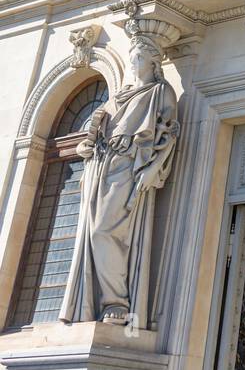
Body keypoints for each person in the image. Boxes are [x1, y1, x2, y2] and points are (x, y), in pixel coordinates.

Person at [60, 22, 179, 327]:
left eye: (138, 58)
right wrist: (92, 137)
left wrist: (152, 168)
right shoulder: (121, 95)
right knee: (93, 231)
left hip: (130, 166)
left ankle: (116, 302)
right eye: (132, 57)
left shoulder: (160, 91)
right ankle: (100, 306)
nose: (133, 63)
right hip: (105, 165)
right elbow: (93, 142)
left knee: (103, 231)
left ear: (153, 63)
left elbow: (169, 136)